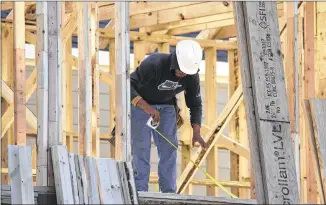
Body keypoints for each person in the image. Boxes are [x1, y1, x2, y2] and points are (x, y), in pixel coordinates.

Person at [130, 39, 207, 193]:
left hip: (166, 107)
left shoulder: (191, 75)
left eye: (186, 72)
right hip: (140, 104)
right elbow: (128, 85)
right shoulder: (154, 63)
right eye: (181, 70)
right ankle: (139, 192)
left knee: (169, 149)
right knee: (141, 148)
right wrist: (147, 107)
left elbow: (195, 103)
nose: (183, 74)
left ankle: (168, 193)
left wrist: (196, 132)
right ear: (176, 59)